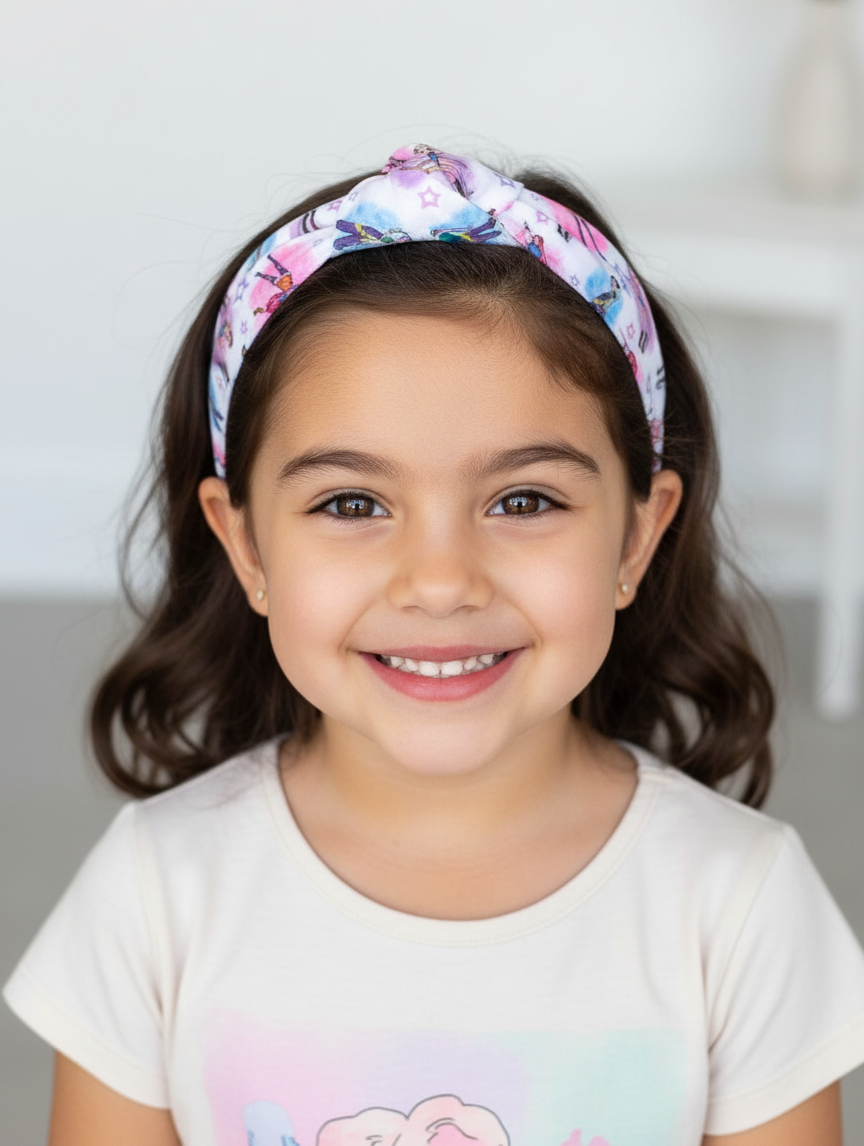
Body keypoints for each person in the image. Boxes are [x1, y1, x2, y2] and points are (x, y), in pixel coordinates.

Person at [5, 144, 864, 1146]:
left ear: (637, 536)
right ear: (246, 547)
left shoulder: (741, 907)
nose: (442, 580)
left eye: (524, 500)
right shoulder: (153, 895)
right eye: (352, 503)